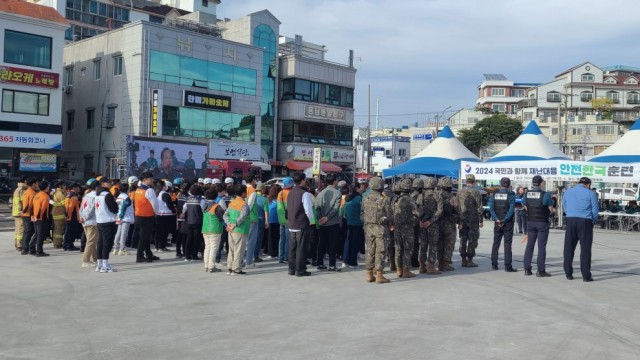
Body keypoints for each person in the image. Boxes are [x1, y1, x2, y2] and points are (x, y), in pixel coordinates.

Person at [562, 177, 599, 282]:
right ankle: (586, 275)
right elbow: (595, 210)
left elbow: (564, 206)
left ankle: (568, 273)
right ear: (588, 184)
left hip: (570, 220)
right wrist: (593, 220)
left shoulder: (568, 192)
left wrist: (570, 213)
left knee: (569, 247)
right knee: (585, 249)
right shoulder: (591, 193)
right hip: (585, 221)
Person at [522, 175, 554, 277]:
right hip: (542, 223)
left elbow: (525, 206)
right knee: (541, 247)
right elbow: (551, 210)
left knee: (529, 246)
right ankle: (540, 271)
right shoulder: (545, 195)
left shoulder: (527, 194)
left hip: (530, 222)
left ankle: (527, 269)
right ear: (541, 183)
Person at [360, 177, 390, 283]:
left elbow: (362, 214)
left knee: (370, 250)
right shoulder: (383, 199)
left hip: (368, 228)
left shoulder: (365, 197)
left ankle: (369, 273)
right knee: (380, 251)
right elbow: (389, 215)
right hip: (381, 228)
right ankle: (379, 275)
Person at [286, 172, 315, 277]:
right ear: (302, 180)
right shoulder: (304, 193)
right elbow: (308, 210)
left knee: (292, 248)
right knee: (301, 248)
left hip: (291, 223)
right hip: (301, 224)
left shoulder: (291, 192)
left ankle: (291, 269)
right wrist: (312, 221)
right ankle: (300, 270)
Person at [488, 177, 517, 272]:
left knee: (496, 243)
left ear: (500, 184)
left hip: (497, 222)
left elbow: (491, 209)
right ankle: (508, 266)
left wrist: (496, 219)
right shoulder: (511, 195)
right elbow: (511, 210)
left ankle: (494, 264)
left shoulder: (494, 195)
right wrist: (504, 220)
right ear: (509, 185)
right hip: (507, 223)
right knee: (507, 244)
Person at [392, 178, 419, 278]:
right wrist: (414, 222)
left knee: (398, 248)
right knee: (407, 249)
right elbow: (417, 214)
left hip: (397, 227)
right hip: (408, 227)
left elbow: (391, 213)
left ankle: (398, 269)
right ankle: (406, 270)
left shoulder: (395, 199)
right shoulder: (410, 200)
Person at [223, 184, 250, 275]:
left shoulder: (232, 202)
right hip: (241, 230)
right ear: (243, 193)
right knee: (239, 250)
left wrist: (229, 224)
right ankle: (236, 269)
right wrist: (235, 224)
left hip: (231, 230)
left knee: (231, 249)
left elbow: (225, 215)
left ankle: (230, 268)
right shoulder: (244, 204)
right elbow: (243, 216)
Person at [457, 174, 483, 268]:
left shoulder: (460, 191)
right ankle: (470, 260)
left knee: (463, 239)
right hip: (473, 220)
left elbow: (457, 206)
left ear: (466, 181)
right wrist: (481, 220)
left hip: (462, 219)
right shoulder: (476, 192)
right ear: (474, 181)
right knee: (472, 239)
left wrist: (458, 220)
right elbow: (479, 207)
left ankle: (463, 260)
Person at [133, 172, 160, 263]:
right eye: (150, 179)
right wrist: (157, 213)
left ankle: (148, 254)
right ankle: (139, 256)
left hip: (138, 215)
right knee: (144, 238)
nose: (152, 180)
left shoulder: (138, 189)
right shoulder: (149, 190)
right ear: (145, 180)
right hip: (147, 216)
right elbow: (155, 204)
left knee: (144, 237)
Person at [418, 177, 443, 274]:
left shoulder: (421, 195)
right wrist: (431, 221)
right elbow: (440, 210)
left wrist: (420, 221)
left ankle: (422, 266)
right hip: (432, 224)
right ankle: (431, 267)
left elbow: (416, 209)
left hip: (422, 224)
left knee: (423, 245)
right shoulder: (437, 195)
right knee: (433, 245)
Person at [95, 178, 119, 273]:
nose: (110, 184)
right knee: (107, 243)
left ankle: (99, 264)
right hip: (108, 220)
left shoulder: (97, 194)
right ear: (103, 184)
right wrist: (116, 206)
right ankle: (105, 265)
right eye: (108, 182)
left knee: (100, 242)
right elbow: (114, 208)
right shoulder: (107, 195)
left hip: (100, 220)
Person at [437, 177, 458, 272]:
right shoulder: (453, 197)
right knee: (449, 244)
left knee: (439, 243)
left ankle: (439, 263)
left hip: (438, 223)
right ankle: (446, 264)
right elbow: (458, 211)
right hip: (450, 223)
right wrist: (461, 220)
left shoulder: (436, 195)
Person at [202, 188, 224, 273]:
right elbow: (222, 217)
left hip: (205, 229)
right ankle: (211, 266)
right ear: (215, 196)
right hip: (215, 230)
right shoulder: (216, 206)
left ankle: (206, 265)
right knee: (214, 248)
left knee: (207, 247)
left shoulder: (204, 206)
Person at [343, 183, 364, 268]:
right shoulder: (359, 198)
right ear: (357, 188)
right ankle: (352, 262)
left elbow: (345, 213)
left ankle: (345, 260)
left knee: (348, 242)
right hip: (358, 223)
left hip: (349, 222)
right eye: (360, 187)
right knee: (355, 243)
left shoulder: (347, 198)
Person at [182, 184, 205, 261]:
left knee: (189, 238)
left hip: (189, 221)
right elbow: (204, 210)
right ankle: (194, 255)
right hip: (198, 221)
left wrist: (183, 213)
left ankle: (187, 256)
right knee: (196, 239)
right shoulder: (201, 200)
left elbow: (184, 208)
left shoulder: (188, 199)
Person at [32, 181, 52, 257]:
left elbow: (33, 206)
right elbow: (42, 209)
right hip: (41, 218)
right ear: (46, 187)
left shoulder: (37, 195)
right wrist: (38, 217)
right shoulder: (46, 196)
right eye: (48, 186)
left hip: (35, 216)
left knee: (37, 234)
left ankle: (31, 248)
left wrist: (34, 216)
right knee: (41, 235)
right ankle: (39, 251)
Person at [244, 174, 260, 268]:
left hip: (242, 217)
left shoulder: (243, 189)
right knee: (251, 241)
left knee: (243, 241)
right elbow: (249, 205)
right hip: (251, 217)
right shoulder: (253, 191)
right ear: (253, 180)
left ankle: (241, 260)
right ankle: (249, 262)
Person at [155, 180, 176, 252]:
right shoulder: (165, 194)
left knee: (159, 231)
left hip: (158, 214)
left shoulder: (157, 193)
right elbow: (169, 204)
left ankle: (158, 246)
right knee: (164, 231)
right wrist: (174, 211)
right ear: (163, 187)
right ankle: (161, 246)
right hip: (165, 215)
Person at [276, 177, 293, 263]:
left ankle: (280, 256)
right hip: (288, 219)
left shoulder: (280, 193)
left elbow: (279, 207)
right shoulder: (291, 193)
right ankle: (286, 256)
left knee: (281, 239)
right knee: (287, 239)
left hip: (281, 219)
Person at [20, 177, 38, 255]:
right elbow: (30, 206)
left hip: (25, 215)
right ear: (33, 184)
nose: (37, 185)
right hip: (28, 215)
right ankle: (26, 249)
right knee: (30, 232)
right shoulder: (32, 193)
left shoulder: (26, 192)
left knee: (26, 232)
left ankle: (25, 248)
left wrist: (22, 211)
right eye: (36, 183)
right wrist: (32, 216)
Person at [114, 183, 133, 255]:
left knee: (118, 232)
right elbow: (125, 205)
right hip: (125, 217)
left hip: (119, 216)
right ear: (127, 189)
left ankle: (115, 248)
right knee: (124, 233)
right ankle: (122, 249)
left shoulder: (119, 196)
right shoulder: (126, 197)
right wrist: (122, 213)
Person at [63, 184, 82, 251]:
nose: (79, 189)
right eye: (78, 187)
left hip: (68, 216)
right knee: (71, 231)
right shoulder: (74, 196)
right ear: (74, 188)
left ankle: (65, 244)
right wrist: (68, 215)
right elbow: (71, 207)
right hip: (72, 216)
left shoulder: (69, 194)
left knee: (67, 231)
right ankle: (69, 245)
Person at [410, 178, 424, 269]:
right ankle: (414, 260)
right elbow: (419, 210)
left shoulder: (410, 194)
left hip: (410, 221)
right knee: (416, 242)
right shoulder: (419, 196)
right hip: (417, 221)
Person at [254, 183, 269, 261]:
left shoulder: (251, 197)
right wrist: (267, 221)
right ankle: (255, 255)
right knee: (258, 238)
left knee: (252, 238)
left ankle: (250, 254)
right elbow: (266, 212)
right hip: (261, 219)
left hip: (252, 220)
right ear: (262, 190)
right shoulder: (264, 199)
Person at [11, 176, 26, 251]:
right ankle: (20, 245)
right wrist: (22, 211)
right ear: (25, 181)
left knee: (17, 229)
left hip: (16, 212)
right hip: (20, 213)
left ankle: (17, 244)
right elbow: (22, 202)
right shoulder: (22, 190)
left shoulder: (17, 189)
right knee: (21, 229)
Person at [267, 185, 280, 258]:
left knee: (270, 237)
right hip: (277, 220)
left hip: (270, 220)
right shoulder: (277, 200)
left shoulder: (268, 200)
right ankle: (275, 252)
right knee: (276, 237)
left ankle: (271, 252)